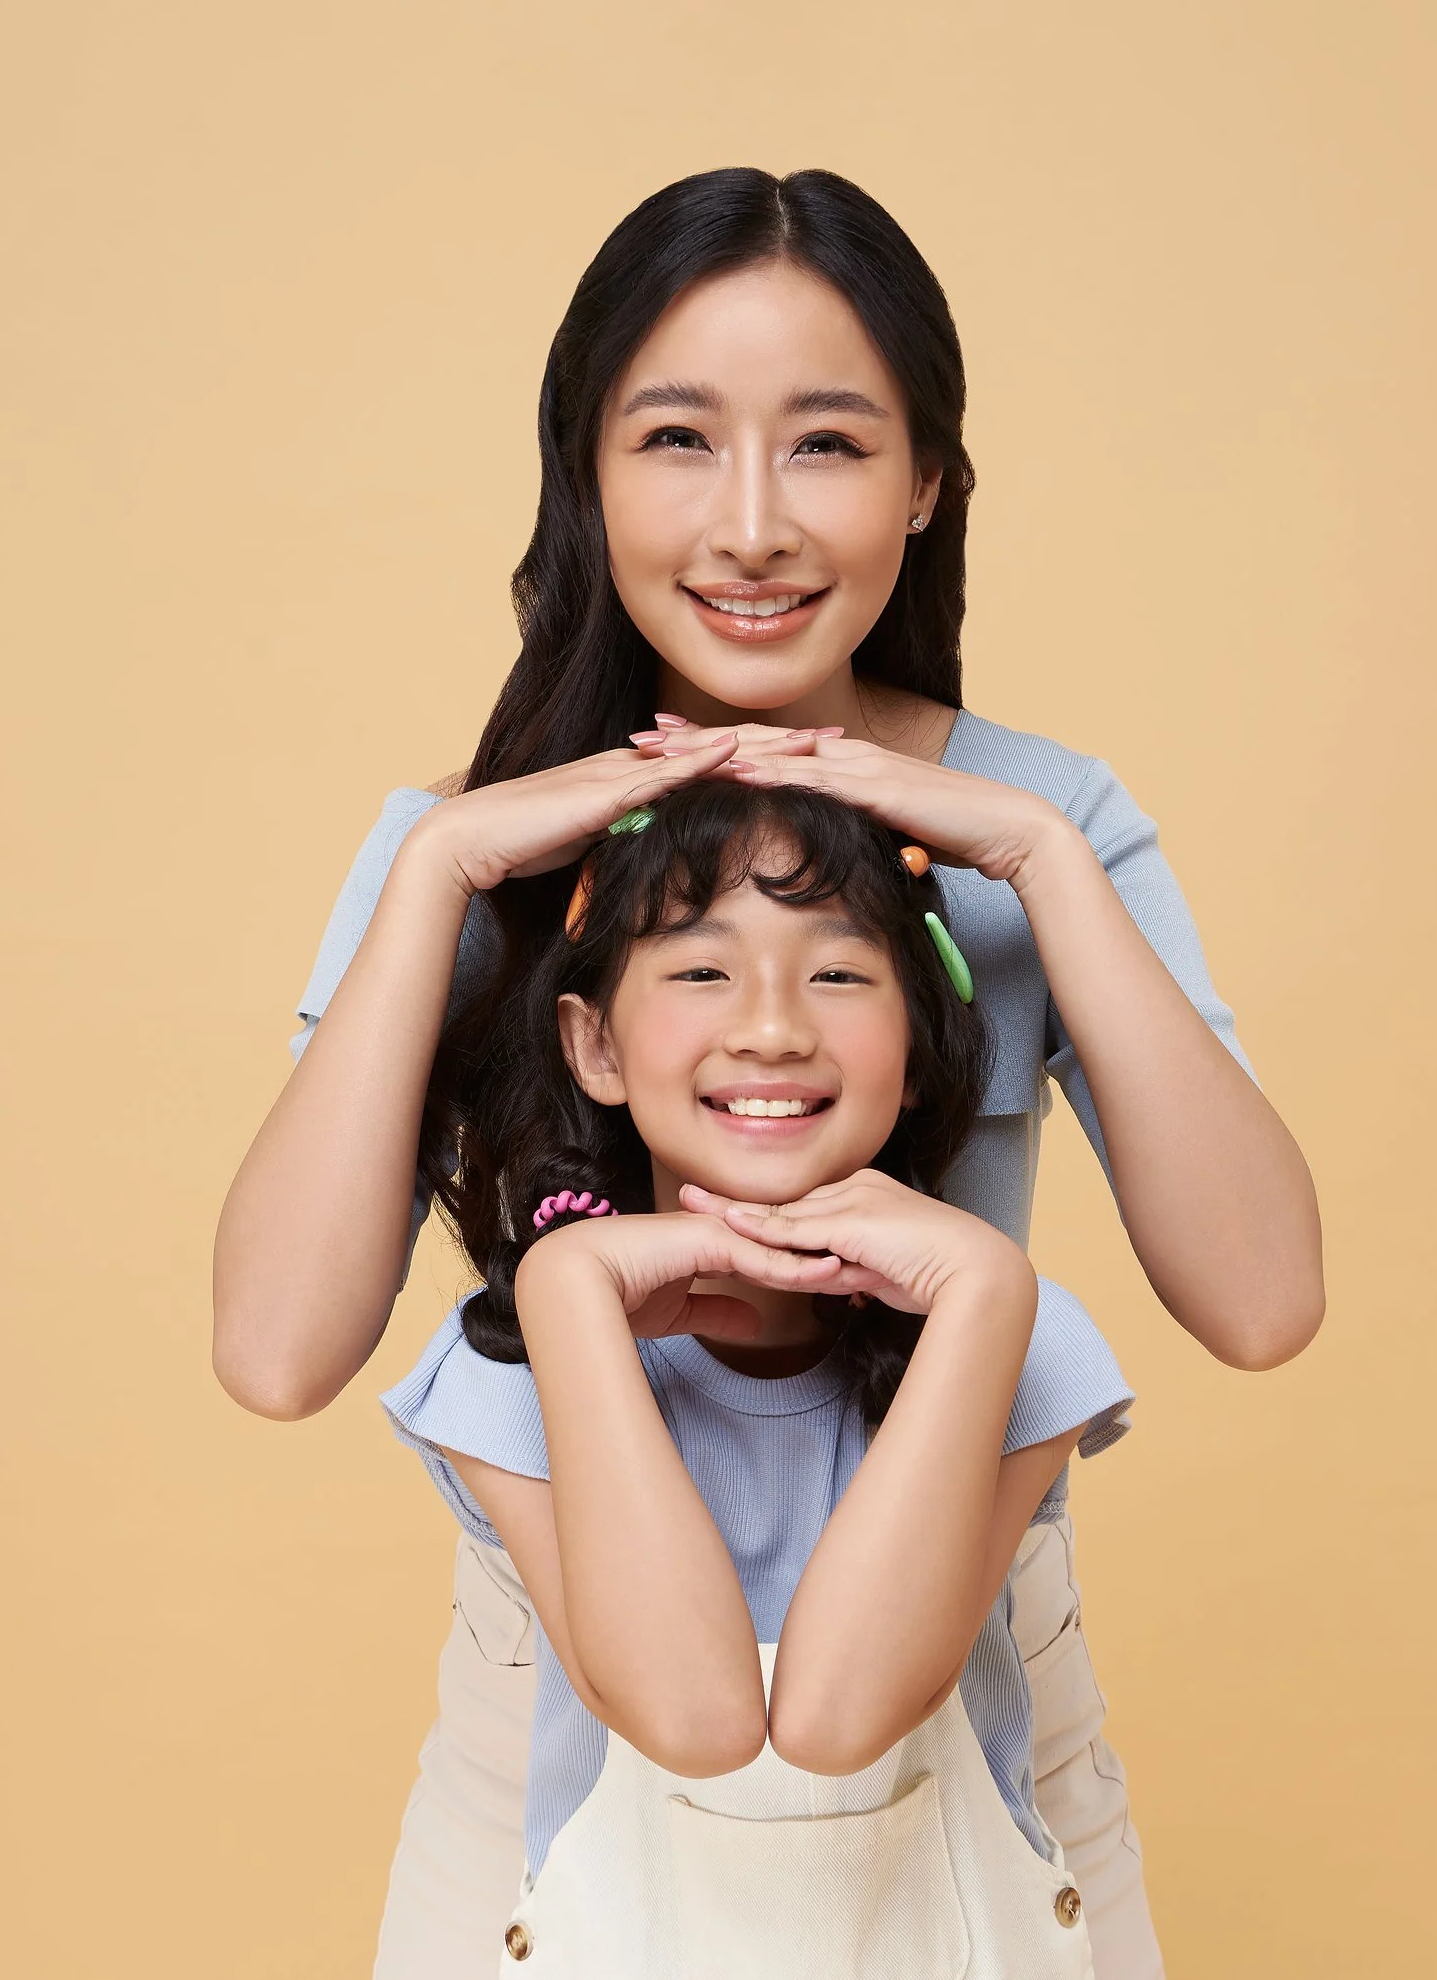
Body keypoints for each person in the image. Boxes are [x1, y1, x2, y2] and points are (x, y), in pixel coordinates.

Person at [212, 166, 1325, 1979]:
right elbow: (276, 1349)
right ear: (586, 473)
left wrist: (1036, 857)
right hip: (552, 1779)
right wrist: (438, 873)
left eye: (826, 444)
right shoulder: (470, 847)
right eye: (676, 439)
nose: (751, 526)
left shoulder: (1042, 820)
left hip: (972, 1754)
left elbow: (1263, 1300)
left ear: (926, 480)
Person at [386, 779, 1134, 1977]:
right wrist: (568, 1288)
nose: (773, 1027)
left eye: (836, 971)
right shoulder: (513, 1359)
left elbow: (840, 1716)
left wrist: (985, 1289)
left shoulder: (1012, 1332)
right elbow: (692, 1717)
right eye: (701, 969)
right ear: (595, 1044)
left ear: (918, 1042)